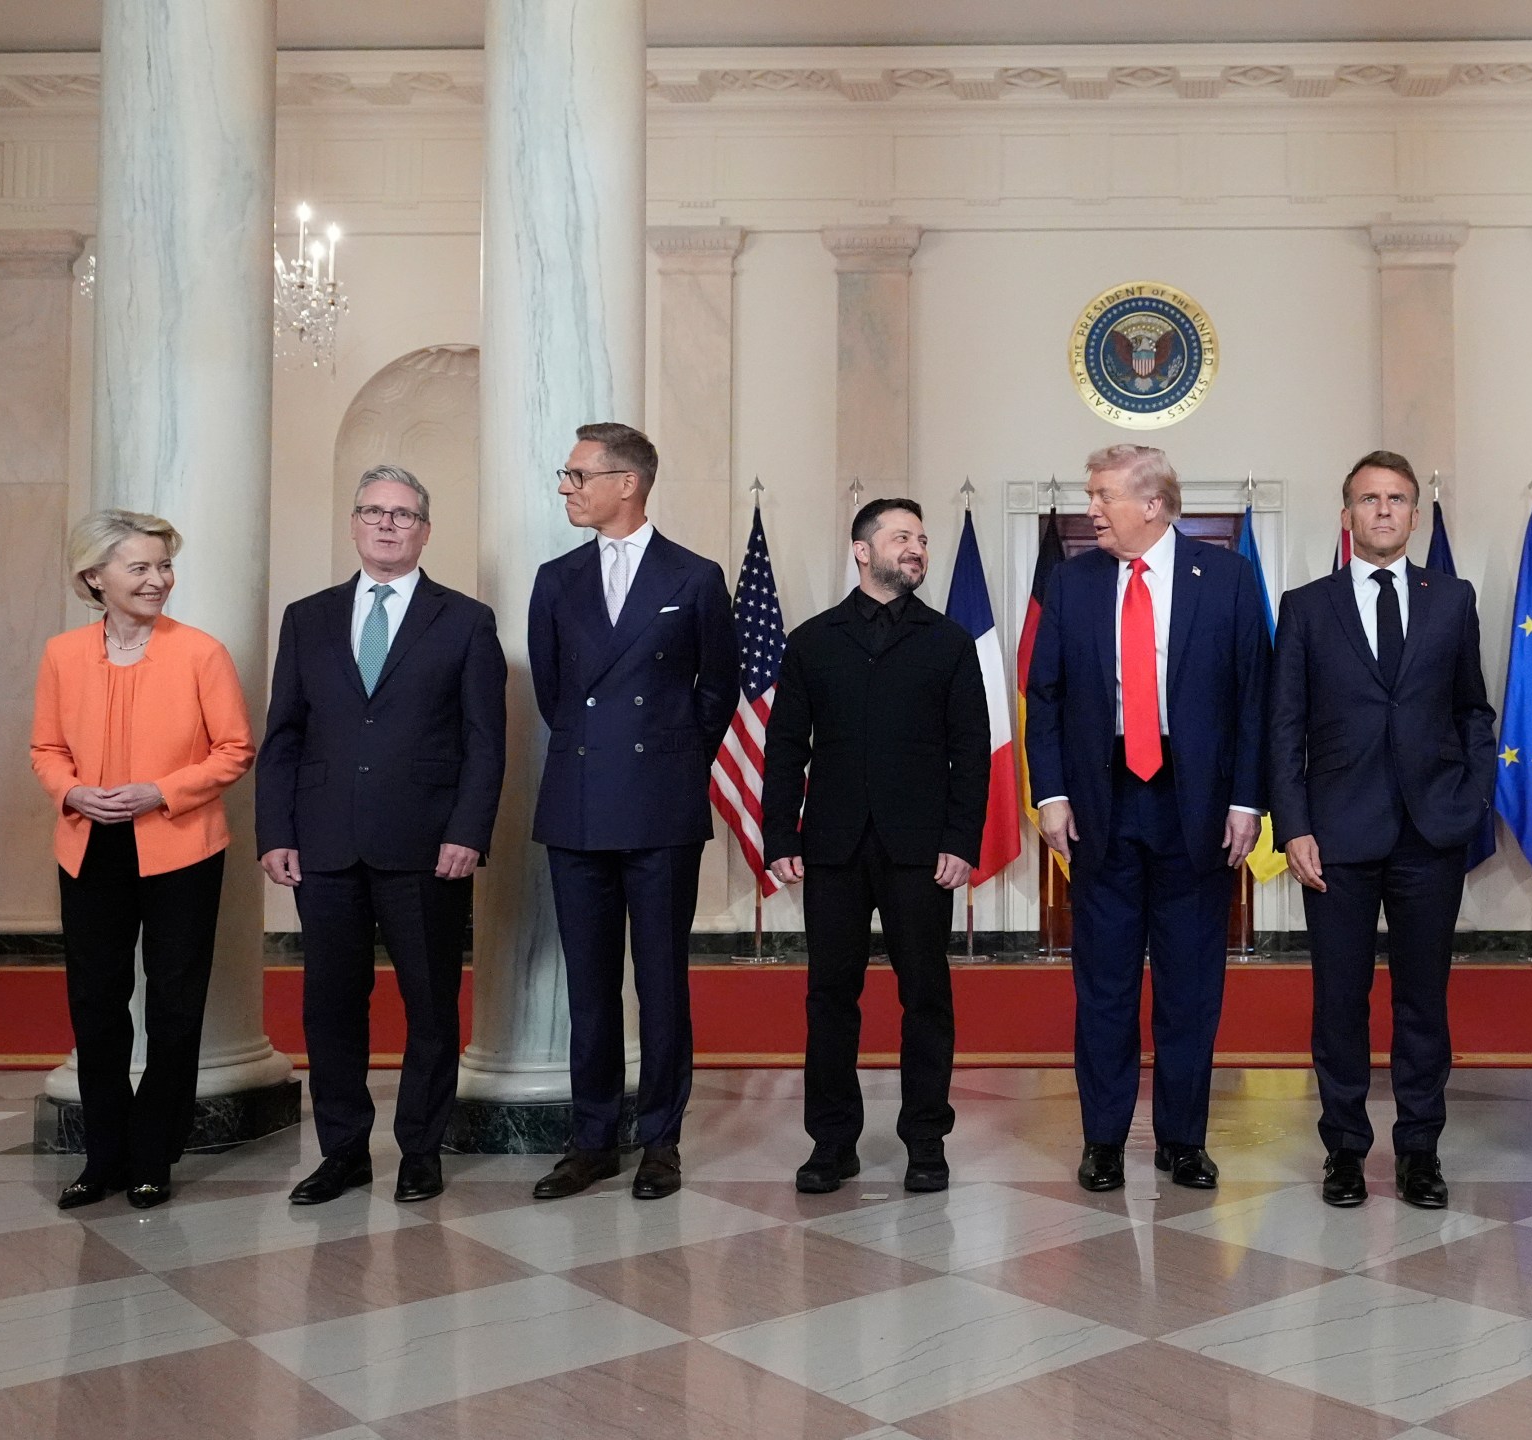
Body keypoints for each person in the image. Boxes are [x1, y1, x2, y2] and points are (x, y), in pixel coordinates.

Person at [257, 466, 504, 1206]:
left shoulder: (464, 620)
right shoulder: (307, 617)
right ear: (354, 524)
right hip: (324, 841)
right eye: (373, 512)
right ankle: (341, 1152)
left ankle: (421, 1150)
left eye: (402, 514)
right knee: (330, 1004)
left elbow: (484, 741)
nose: (387, 524)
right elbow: (284, 735)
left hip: (428, 846)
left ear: (425, 530)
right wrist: (276, 830)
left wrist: (468, 830)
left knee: (430, 1003)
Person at [1026, 443, 1270, 1193]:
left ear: (1153, 504)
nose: (1090, 507)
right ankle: (1103, 1140)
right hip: (1102, 806)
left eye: (1101, 495)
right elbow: (1048, 696)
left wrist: (1244, 800)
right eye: (1089, 494)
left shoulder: (1226, 579)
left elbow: (1254, 698)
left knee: (1191, 984)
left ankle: (1183, 1140)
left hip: (1194, 807)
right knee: (1103, 984)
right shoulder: (1072, 584)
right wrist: (1053, 793)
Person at [1270, 451, 1494, 1210]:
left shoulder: (1451, 598)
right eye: (1369, 499)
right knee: (1340, 1001)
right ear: (1347, 514)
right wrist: (1292, 826)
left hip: (1431, 833)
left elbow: (1474, 712)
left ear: (1414, 514)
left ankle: (1421, 1151)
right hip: (1335, 835)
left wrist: (1470, 802)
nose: (1384, 510)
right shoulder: (1306, 605)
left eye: (1397, 498)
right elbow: (1285, 726)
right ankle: (1344, 1150)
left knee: (1424, 1002)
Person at [526, 423, 739, 1202]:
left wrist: (667, 756)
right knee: (588, 986)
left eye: (578, 475)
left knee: (661, 981)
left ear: (628, 483)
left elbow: (716, 691)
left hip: (660, 803)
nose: (566, 487)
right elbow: (555, 694)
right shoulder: (556, 578)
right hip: (578, 801)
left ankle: (660, 1140)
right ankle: (592, 1139)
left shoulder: (695, 576)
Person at [763, 498, 989, 1196]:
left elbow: (971, 752)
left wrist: (961, 840)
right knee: (830, 996)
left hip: (922, 850)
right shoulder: (811, 641)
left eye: (921, 539)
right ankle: (832, 1143)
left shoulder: (948, 641)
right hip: (830, 846)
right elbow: (782, 750)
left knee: (927, 996)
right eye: (901, 538)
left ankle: (926, 1141)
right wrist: (779, 835)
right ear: (862, 551)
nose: (916, 548)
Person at [31, 510, 254, 1211]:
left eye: (164, 566)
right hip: (89, 846)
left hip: (182, 847)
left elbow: (235, 749)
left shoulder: (201, 653)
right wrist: (73, 792)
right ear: (94, 576)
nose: (159, 580)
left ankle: (154, 1155)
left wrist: (162, 790)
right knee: (96, 1005)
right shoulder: (62, 654)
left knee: (175, 1006)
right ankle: (103, 1156)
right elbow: (45, 749)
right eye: (141, 567)